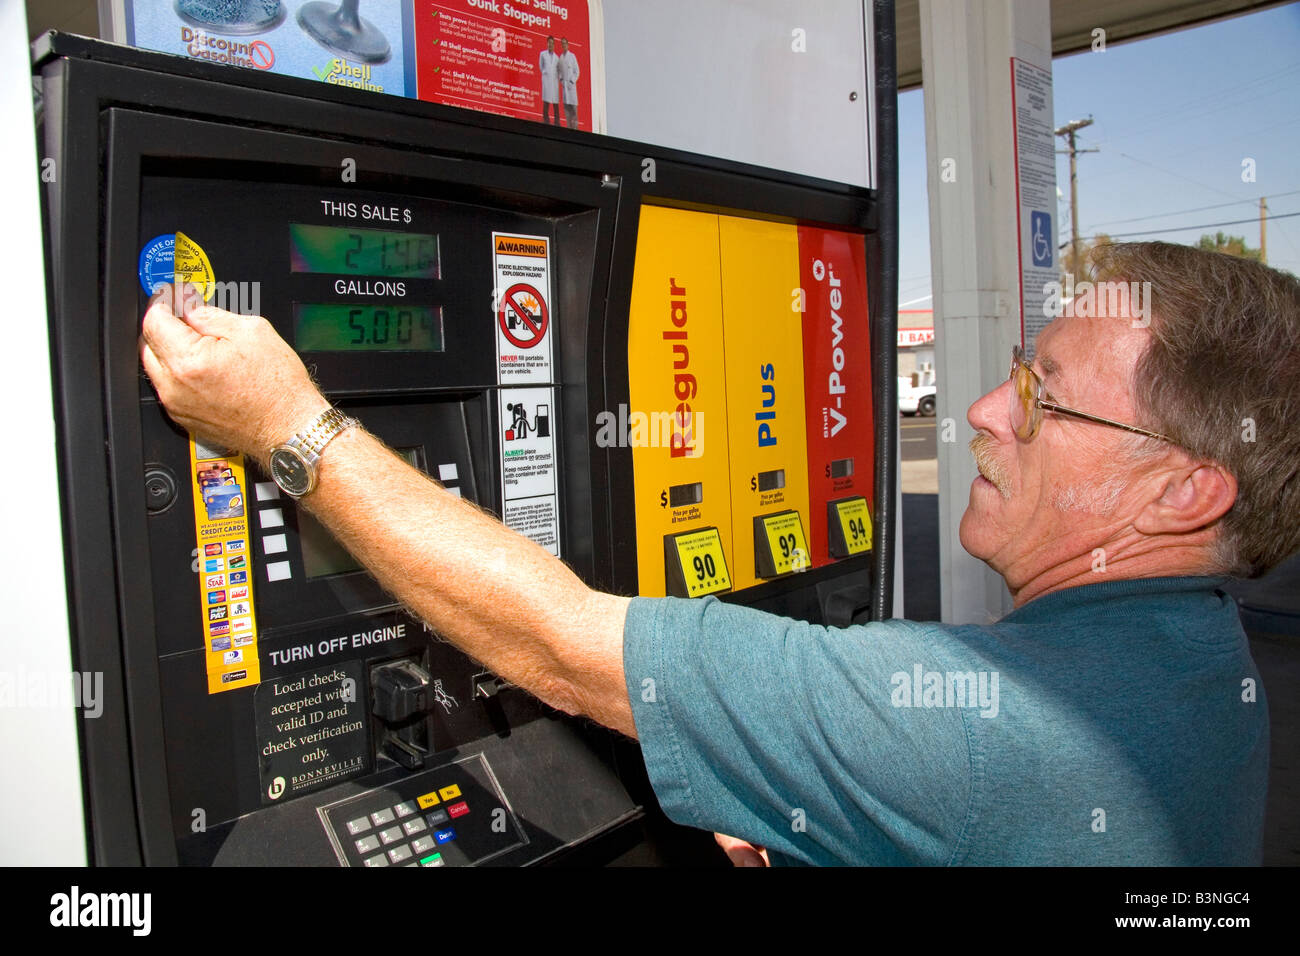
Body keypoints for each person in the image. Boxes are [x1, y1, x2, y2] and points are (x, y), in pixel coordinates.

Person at [139, 242, 1299, 865]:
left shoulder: (986, 723)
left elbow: (561, 647)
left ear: (1184, 487)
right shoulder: (1206, 660)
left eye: (1044, 398)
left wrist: (284, 429)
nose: (987, 409)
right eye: (1012, 365)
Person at [538, 36, 560, 125]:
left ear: (554, 45)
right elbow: (541, 65)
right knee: (546, 103)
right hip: (546, 80)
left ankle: (557, 122)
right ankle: (546, 121)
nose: (550, 44)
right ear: (547, 43)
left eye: (552, 43)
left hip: (554, 82)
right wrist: (545, 72)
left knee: (555, 104)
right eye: (549, 43)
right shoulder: (543, 54)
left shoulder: (557, 58)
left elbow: (558, 70)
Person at [558, 38, 579, 129]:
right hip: (565, 88)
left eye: (565, 43)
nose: (564, 45)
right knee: (567, 112)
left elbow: (577, 71)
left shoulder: (572, 56)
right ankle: (569, 128)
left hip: (571, 87)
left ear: (568, 44)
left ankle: (575, 129)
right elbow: (559, 72)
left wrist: (571, 81)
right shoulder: (561, 58)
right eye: (562, 44)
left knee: (574, 111)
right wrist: (562, 81)